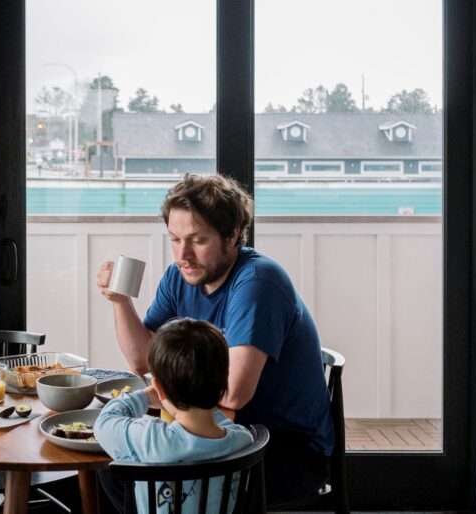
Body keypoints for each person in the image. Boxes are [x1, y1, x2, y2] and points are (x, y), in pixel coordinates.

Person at [96, 173, 333, 505]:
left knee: (129, 469)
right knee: (111, 465)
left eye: (197, 240)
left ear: (232, 234)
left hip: (285, 447)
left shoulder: (258, 282)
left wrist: (159, 394)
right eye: (175, 239)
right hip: (223, 430)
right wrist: (121, 302)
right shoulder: (180, 277)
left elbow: (234, 395)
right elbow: (143, 361)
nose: (183, 255)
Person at [94, 317, 255, 514]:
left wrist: (145, 396)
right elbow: (220, 421)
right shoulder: (242, 440)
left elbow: (105, 421)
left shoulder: (151, 440)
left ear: (160, 390)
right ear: (223, 385)